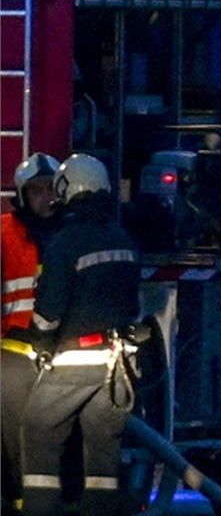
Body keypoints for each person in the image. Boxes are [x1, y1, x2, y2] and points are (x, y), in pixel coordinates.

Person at [21, 154, 140, 516]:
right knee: (103, 461)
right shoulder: (122, 237)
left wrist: (40, 346)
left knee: (38, 431)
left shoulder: (66, 242)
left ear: (69, 187)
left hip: (73, 363)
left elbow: (49, 312)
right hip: (116, 368)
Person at [1, 153, 61, 514]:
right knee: (13, 433)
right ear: (22, 195)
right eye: (36, 191)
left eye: (51, 189)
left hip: (60, 352)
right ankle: (18, 499)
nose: (45, 197)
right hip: (13, 351)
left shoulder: (71, 233)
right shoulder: (5, 232)